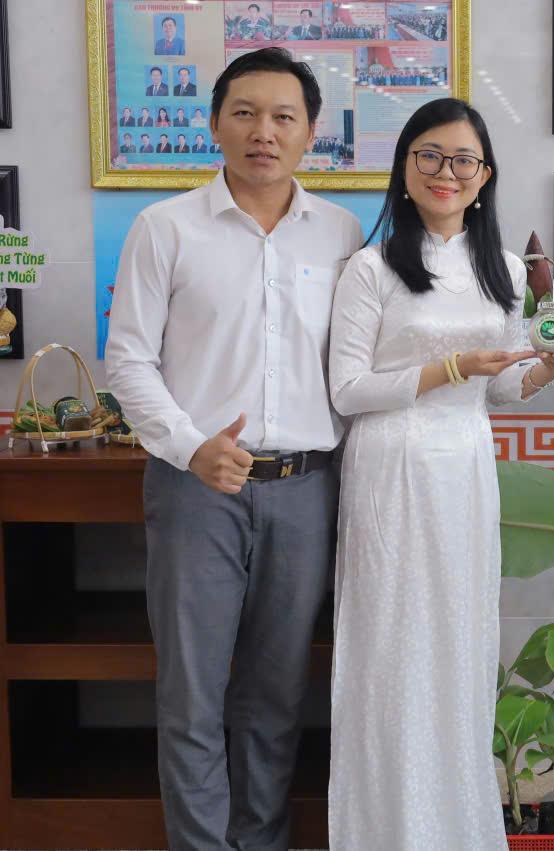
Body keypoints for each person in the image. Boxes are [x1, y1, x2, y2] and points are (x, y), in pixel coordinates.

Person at [105, 47, 363, 851]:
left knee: (276, 697)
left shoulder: (341, 233)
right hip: (197, 489)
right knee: (192, 695)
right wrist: (191, 448)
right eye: (245, 113)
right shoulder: (165, 227)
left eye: (284, 116)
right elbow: (128, 360)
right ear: (214, 123)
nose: (264, 132)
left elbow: (356, 365)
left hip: (308, 488)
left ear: (312, 133)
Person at [326, 96, 554, 849]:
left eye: (464, 159)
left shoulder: (504, 271)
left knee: (458, 645)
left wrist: (546, 371)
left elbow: (497, 391)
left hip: (465, 469)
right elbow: (347, 391)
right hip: (390, 469)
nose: (447, 171)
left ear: (485, 175)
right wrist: (452, 367)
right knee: (391, 650)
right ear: (405, 168)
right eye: (429, 155)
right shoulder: (371, 268)